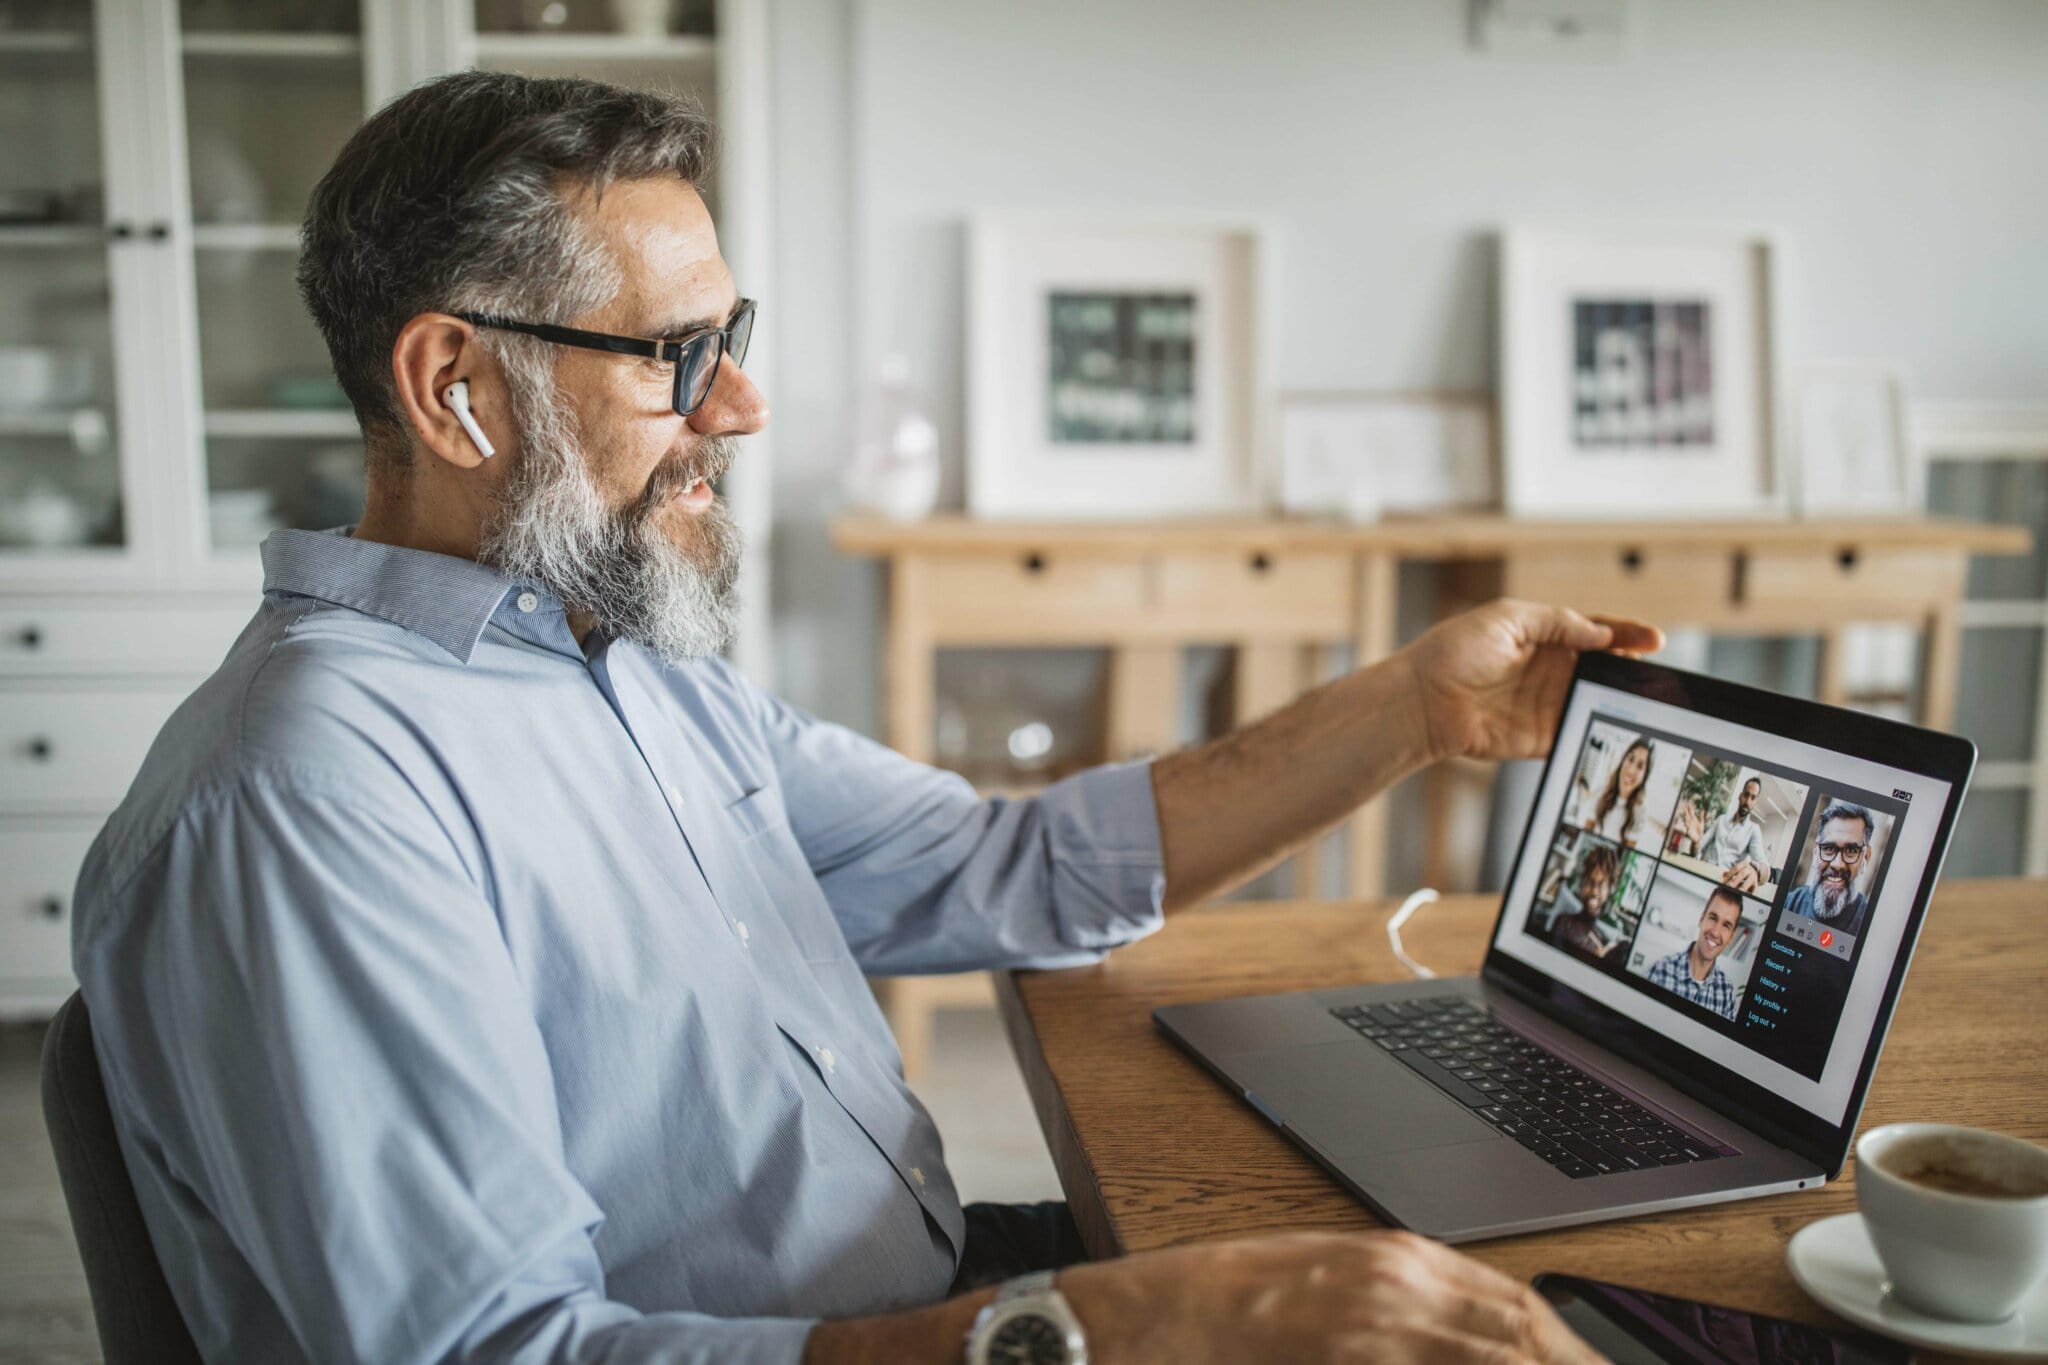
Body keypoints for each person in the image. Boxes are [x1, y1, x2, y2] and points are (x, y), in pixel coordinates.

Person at [70, 72, 1653, 1365]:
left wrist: (1413, 712)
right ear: (454, 387)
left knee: (1552, 1281)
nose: (742, 408)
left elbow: (1005, 868)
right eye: (681, 357)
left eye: (730, 339)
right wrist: (1080, 1328)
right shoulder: (308, 799)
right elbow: (504, 1350)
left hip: (919, 1292)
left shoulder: (615, 655)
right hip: (866, 1341)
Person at [1645, 885, 1745, 1019]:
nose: (1715, 932)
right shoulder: (1661, 970)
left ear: (1731, 938)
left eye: (1726, 925)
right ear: (1701, 919)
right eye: (1713, 918)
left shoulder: (1726, 993)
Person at [1784, 801, 1878, 940]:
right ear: (1816, 851)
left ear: (1866, 857)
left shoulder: (1871, 927)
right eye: (1828, 848)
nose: (1837, 864)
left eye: (1851, 850)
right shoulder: (1789, 903)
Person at [1677, 775, 1773, 892]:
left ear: (1755, 803)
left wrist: (1756, 870)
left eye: (1753, 798)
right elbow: (1696, 850)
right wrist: (1696, 842)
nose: (1747, 801)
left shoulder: (1753, 829)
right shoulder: (1721, 820)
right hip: (1704, 875)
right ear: (1740, 795)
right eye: (1746, 795)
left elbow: (1765, 868)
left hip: (1725, 886)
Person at [1547, 843, 1623, 960]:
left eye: (1601, 885)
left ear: (1609, 890)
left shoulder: (1608, 942)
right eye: (1590, 881)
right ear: (1582, 882)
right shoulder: (1564, 923)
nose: (1594, 891)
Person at [1586, 735, 1656, 848]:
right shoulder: (1600, 792)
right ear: (1623, 759)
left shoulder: (1640, 812)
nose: (1631, 770)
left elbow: (1625, 857)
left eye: (1640, 766)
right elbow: (1585, 834)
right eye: (1631, 759)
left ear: (1645, 776)